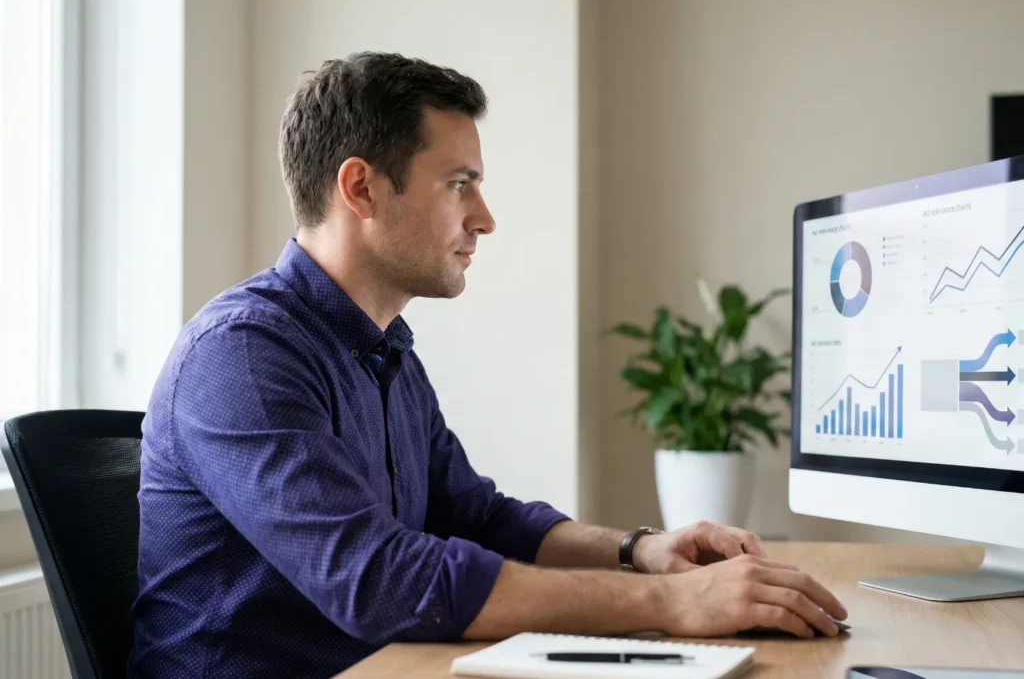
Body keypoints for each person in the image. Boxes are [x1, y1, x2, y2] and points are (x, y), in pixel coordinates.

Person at [128, 52, 846, 678]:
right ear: (361, 188)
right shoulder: (242, 356)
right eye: (459, 184)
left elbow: (477, 517)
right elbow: (377, 579)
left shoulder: (386, 352)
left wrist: (640, 551)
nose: (485, 218)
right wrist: (673, 604)